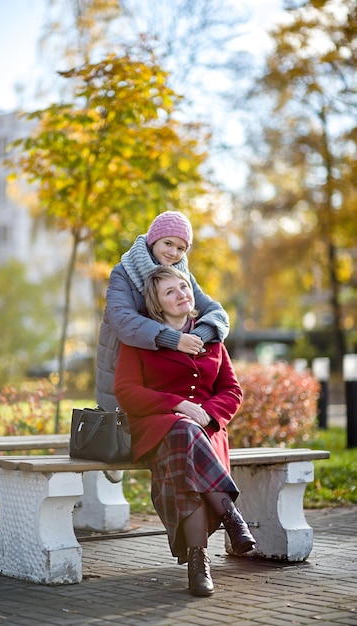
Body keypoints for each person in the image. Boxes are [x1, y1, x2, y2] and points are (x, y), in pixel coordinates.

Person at [114, 266, 256, 597]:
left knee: (186, 449)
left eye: (184, 287)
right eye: (170, 292)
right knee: (181, 430)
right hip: (156, 426)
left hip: (206, 430)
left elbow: (232, 391)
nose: (182, 294)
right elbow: (126, 391)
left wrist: (207, 415)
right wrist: (177, 405)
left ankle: (198, 563)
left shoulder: (211, 338)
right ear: (156, 303)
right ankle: (231, 515)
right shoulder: (141, 339)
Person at [96, 210, 230, 414]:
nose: (173, 253)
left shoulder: (182, 276)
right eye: (168, 243)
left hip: (163, 367)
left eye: (180, 248)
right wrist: (174, 339)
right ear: (153, 240)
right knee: (126, 430)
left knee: (169, 419)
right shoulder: (124, 271)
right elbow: (122, 320)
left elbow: (216, 313)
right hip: (125, 360)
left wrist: (197, 336)